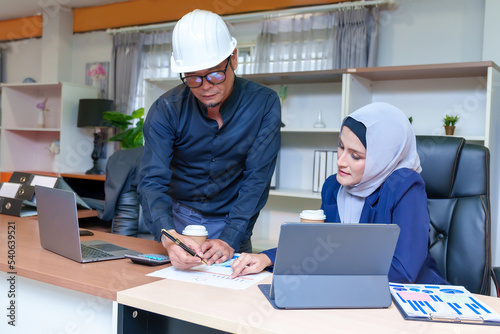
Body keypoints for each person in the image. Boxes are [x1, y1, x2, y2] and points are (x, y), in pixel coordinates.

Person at [231, 102, 447, 285]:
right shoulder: (333, 186)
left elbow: (402, 272)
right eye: (341, 147)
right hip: (351, 292)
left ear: (383, 158)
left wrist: (326, 263)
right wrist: (266, 258)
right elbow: (318, 244)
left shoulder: (405, 187)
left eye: (356, 155)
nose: (341, 161)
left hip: (411, 300)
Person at [138, 9, 281, 270]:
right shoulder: (166, 109)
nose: (205, 86)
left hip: (234, 221)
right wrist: (170, 238)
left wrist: (230, 238)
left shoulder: (264, 103)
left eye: (215, 74)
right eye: (193, 77)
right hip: (179, 220)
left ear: (233, 59)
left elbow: (257, 179)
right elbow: (151, 181)